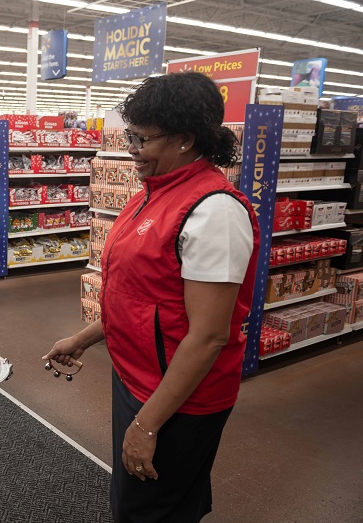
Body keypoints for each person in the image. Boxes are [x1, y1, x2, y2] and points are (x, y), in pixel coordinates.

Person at [43, 72, 260, 523]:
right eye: (130, 134)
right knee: (153, 501)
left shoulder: (214, 211)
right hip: (139, 379)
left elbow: (208, 336)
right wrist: (85, 338)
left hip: (177, 398)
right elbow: (143, 297)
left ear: (184, 139)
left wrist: (147, 424)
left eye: (142, 138)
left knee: (148, 510)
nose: (131, 148)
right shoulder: (151, 194)